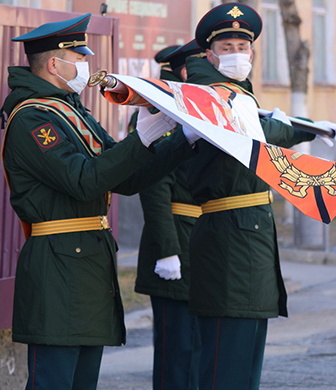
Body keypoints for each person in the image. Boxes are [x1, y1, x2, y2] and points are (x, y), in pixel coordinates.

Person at [0, 13, 196, 390]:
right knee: (54, 381)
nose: (87, 67)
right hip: (57, 267)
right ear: (55, 64)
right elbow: (83, 180)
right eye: (80, 59)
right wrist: (140, 139)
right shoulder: (32, 119)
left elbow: (125, 178)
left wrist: (179, 141)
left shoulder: (72, 111)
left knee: (82, 381)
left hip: (87, 264)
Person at [184, 3, 336, 389]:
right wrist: (302, 129)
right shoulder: (205, 93)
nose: (237, 53)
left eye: (243, 45)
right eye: (227, 47)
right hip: (229, 239)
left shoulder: (239, 94)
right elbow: (254, 134)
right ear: (209, 53)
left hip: (247, 237)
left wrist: (307, 128)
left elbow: (263, 127)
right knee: (227, 364)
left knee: (245, 362)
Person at [133, 40, 205, 390]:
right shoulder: (159, 111)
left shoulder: (196, 108)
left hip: (202, 244)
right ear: (182, 71)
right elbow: (155, 186)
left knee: (198, 349)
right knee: (176, 352)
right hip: (175, 242)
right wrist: (166, 250)